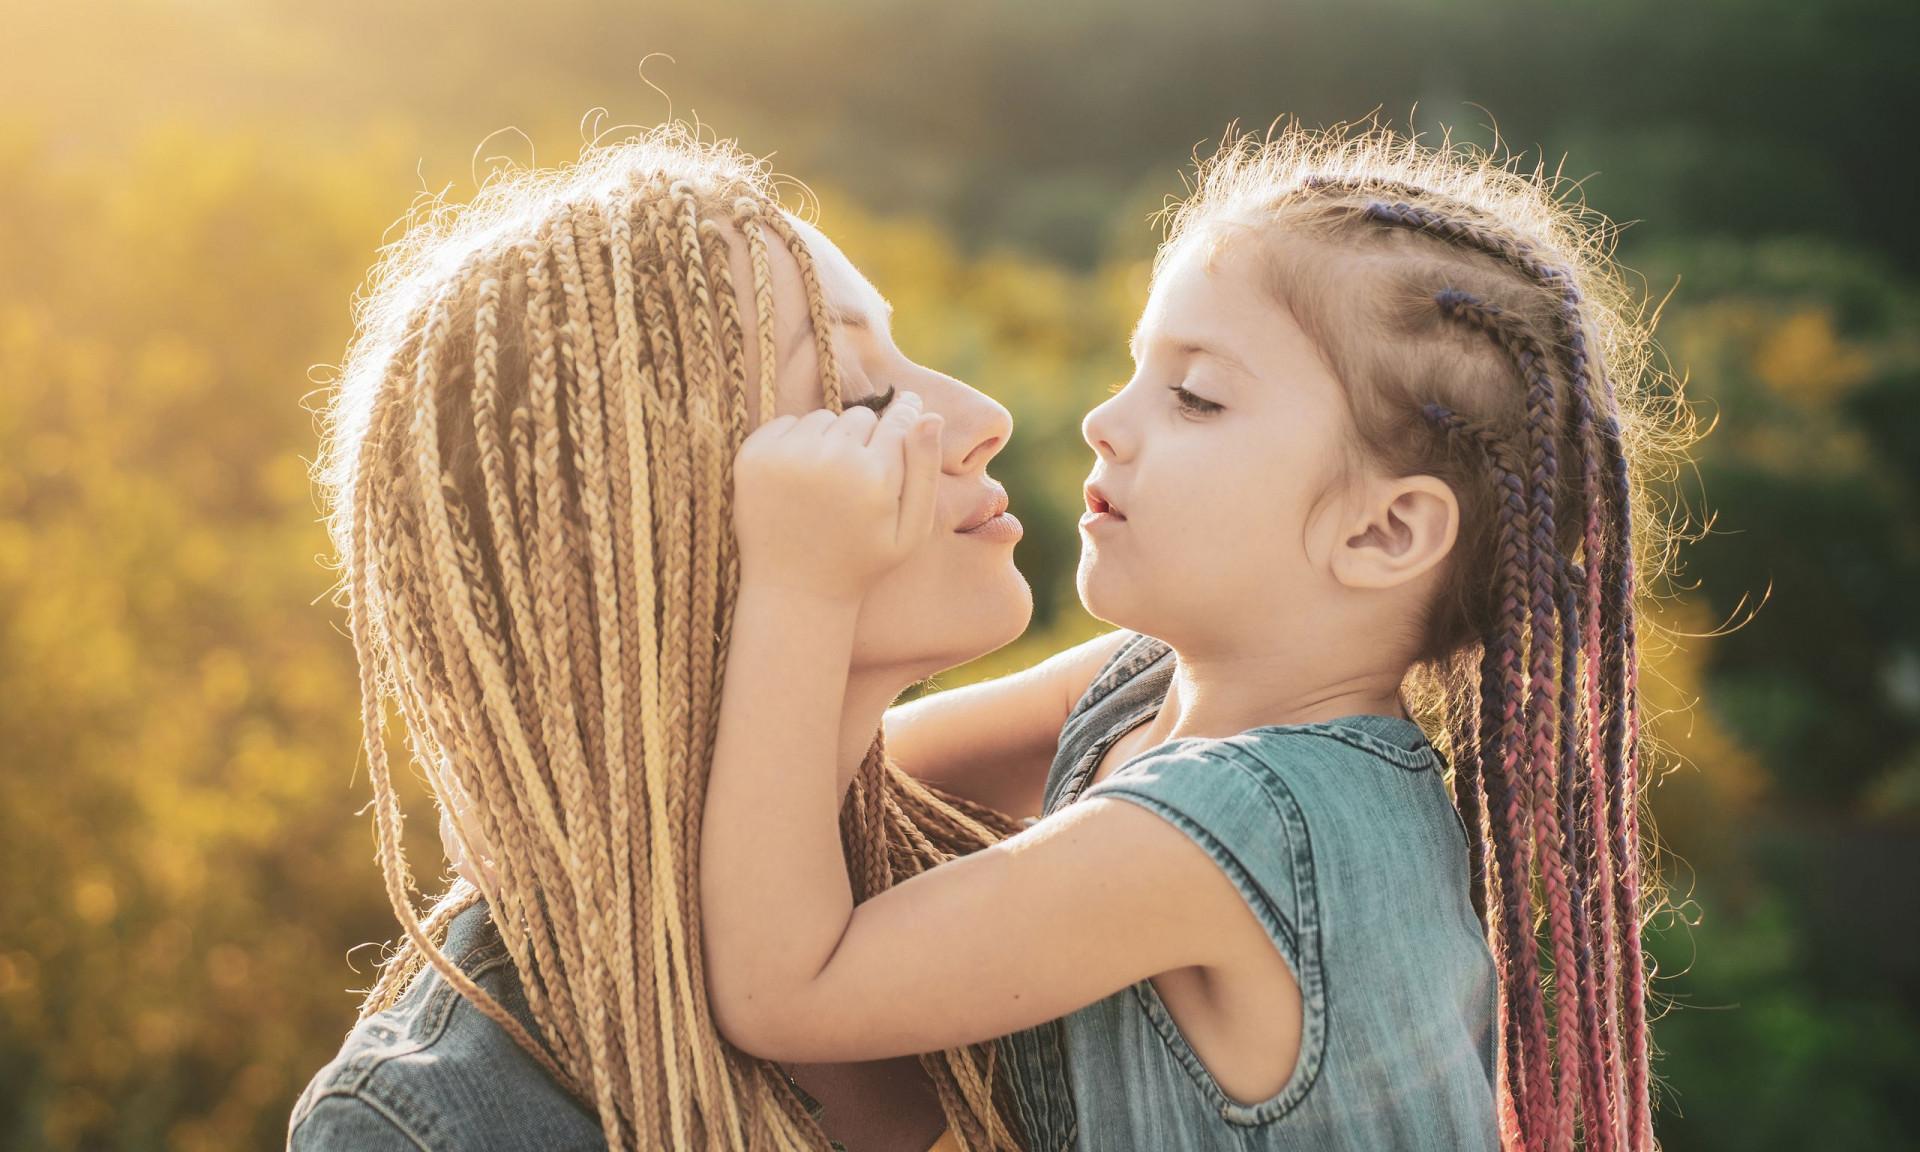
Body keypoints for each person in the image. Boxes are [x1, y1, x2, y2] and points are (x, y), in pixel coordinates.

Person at [699, 119, 1687, 1151]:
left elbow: (786, 987)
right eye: (1135, 369)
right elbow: (859, 790)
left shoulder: (1237, 825)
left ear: (1383, 530)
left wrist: (802, 583)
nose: (1105, 421)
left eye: (1197, 398)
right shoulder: (1150, 685)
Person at [289, 125, 1111, 1151]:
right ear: (639, 525)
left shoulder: (1028, 862)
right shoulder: (443, 1124)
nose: (981, 415)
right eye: (858, 398)